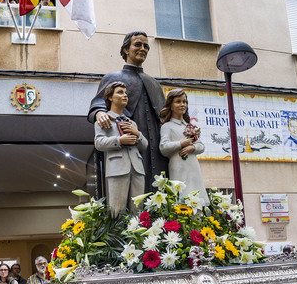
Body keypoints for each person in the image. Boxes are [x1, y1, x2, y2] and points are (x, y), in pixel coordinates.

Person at [88, 31, 167, 191]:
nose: (143, 49)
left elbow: (166, 116)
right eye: (137, 44)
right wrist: (99, 112)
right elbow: (98, 105)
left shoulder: (154, 83)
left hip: (154, 146)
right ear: (126, 49)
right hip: (128, 147)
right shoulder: (112, 77)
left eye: (146, 46)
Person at [94, 81, 148, 216]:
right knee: (117, 209)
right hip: (117, 168)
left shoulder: (132, 122)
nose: (125, 96)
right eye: (120, 92)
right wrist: (119, 140)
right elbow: (99, 143)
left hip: (137, 168)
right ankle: (118, 237)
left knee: (138, 209)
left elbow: (144, 145)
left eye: (126, 93)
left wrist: (138, 134)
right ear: (110, 97)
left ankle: (137, 236)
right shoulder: (103, 120)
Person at [159, 88, 208, 207]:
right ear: (170, 105)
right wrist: (181, 144)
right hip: (178, 167)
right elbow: (163, 147)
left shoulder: (190, 126)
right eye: (178, 101)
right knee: (181, 198)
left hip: (193, 167)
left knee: (197, 198)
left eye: (184, 102)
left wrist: (193, 148)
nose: (182, 105)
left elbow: (201, 146)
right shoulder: (167, 126)